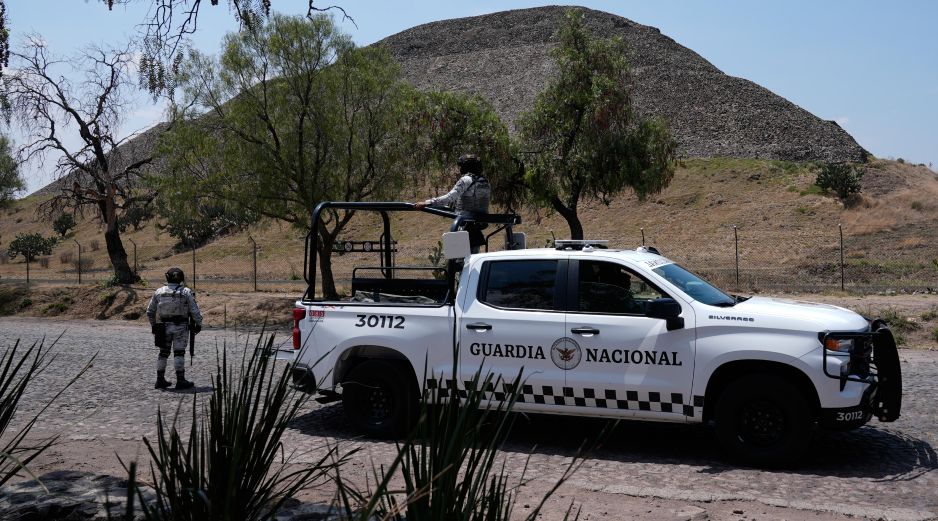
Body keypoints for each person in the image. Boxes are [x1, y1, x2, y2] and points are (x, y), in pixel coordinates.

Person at [416, 154, 491, 253]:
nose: (460, 169)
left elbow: (449, 197)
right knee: (472, 260)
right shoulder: (485, 181)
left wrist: (427, 203)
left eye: (461, 166)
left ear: (466, 167)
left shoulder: (466, 180)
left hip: (463, 225)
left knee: (456, 262)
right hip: (476, 227)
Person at [146, 267, 203, 390]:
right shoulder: (186, 292)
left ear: (167, 277)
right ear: (181, 278)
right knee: (179, 353)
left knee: (163, 353)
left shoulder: (159, 291)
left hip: (162, 327)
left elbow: (150, 311)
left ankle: (160, 380)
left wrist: (154, 325)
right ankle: (180, 380)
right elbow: (194, 310)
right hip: (181, 327)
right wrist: (198, 324)